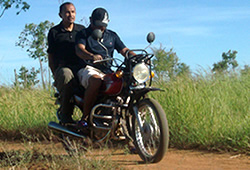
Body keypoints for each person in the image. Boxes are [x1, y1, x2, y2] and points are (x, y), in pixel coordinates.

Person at [75, 7, 135, 126]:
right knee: (96, 80)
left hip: (107, 71)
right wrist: (91, 56)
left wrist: (135, 57)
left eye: (103, 25)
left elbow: (124, 50)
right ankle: (85, 118)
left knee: (127, 83)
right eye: (98, 24)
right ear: (91, 20)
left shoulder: (112, 35)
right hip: (89, 68)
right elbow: (79, 50)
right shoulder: (83, 34)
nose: (100, 28)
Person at [47, 2, 85, 124]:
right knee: (66, 74)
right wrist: (55, 75)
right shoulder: (54, 32)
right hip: (64, 68)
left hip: (81, 67)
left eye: (73, 12)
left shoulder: (82, 30)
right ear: (60, 14)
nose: (71, 15)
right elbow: (51, 56)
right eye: (67, 12)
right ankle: (65, 115)